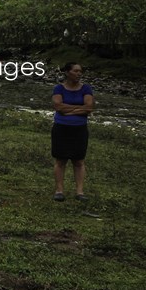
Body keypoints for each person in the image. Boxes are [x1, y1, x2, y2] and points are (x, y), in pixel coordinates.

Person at [51, 62, 94, 201]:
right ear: (67, 72)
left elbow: (89, 108)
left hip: (79, 128)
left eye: (80, 71)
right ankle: (59, 191)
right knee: (60, 159)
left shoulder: (86, 89)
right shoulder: (59, 88)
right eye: (75, 71)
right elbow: (58, 106)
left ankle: (80, 192)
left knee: (79, 161)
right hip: (61, 127)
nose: (79, 74)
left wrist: (68, 110)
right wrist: (78, 108)